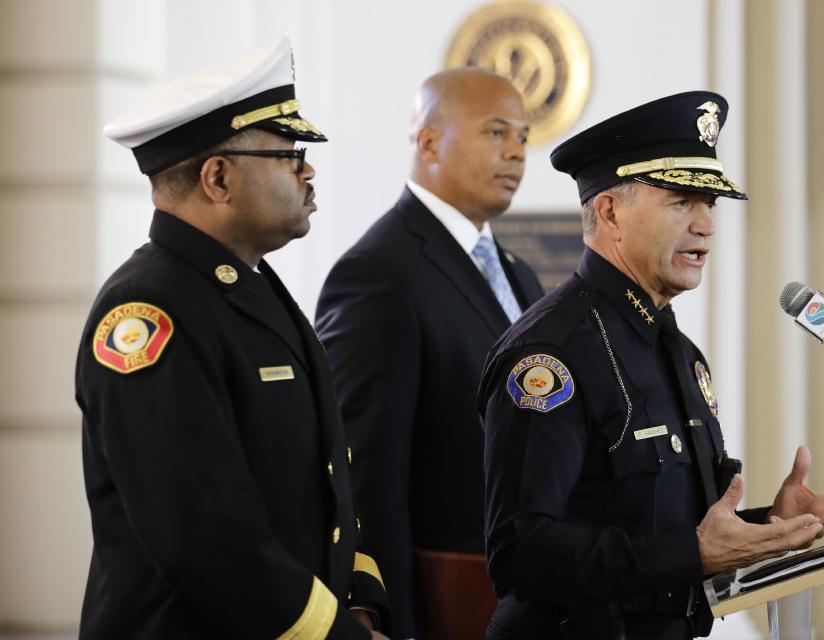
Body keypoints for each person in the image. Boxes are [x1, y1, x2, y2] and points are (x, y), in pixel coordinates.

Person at [477, 91, 824, 639]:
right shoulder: (550, 355)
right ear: (610, 212)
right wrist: (695, 553)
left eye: (711, 204)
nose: (706, 225)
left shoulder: (676, 350)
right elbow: (521, 553)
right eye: (682, 201)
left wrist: (763, 526)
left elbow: (663, 531)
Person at [76, 37, 390, 639]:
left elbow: (325, 479)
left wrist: (361, 603)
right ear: (218, 177)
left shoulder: (251, 285)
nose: (308, 169)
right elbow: (204, 536)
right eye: (288, 153)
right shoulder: (146, 313)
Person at [314, 67, 544, 639]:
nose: (516, 152)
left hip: (525, 597)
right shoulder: (378, 273)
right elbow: (366, 476)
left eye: (522, 137)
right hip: (444, 598)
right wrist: (394, 620)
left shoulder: (518, 274)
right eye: (496, 132)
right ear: (428, 141)